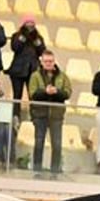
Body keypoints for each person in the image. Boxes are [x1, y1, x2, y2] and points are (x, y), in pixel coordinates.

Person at [28, 49, 72, 178]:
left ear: (54, 61)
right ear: (41, 62)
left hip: (56, 115)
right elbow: (33, 94)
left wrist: (56, 92)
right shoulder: (35, 76)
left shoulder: (63, 76)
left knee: (57, 144)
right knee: (39, 142)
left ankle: (55, 171)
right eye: (46, 61)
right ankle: (37, 170)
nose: (48, 63)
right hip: (40, 114)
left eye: (51, 61)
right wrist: (45, 92)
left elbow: (67, 93)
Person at [6, 14, 46, 120]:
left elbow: (42, 51)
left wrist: (36, 40)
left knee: (33, 95)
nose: (30, 25)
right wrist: (23, 37)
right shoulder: (16, 35)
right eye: (28, 23)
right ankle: (15, 116)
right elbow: (15, 47)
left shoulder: (38, 37)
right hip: (18, 70)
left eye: (32, 23)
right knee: (17, 95)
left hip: (32, 70)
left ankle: (34, 117)